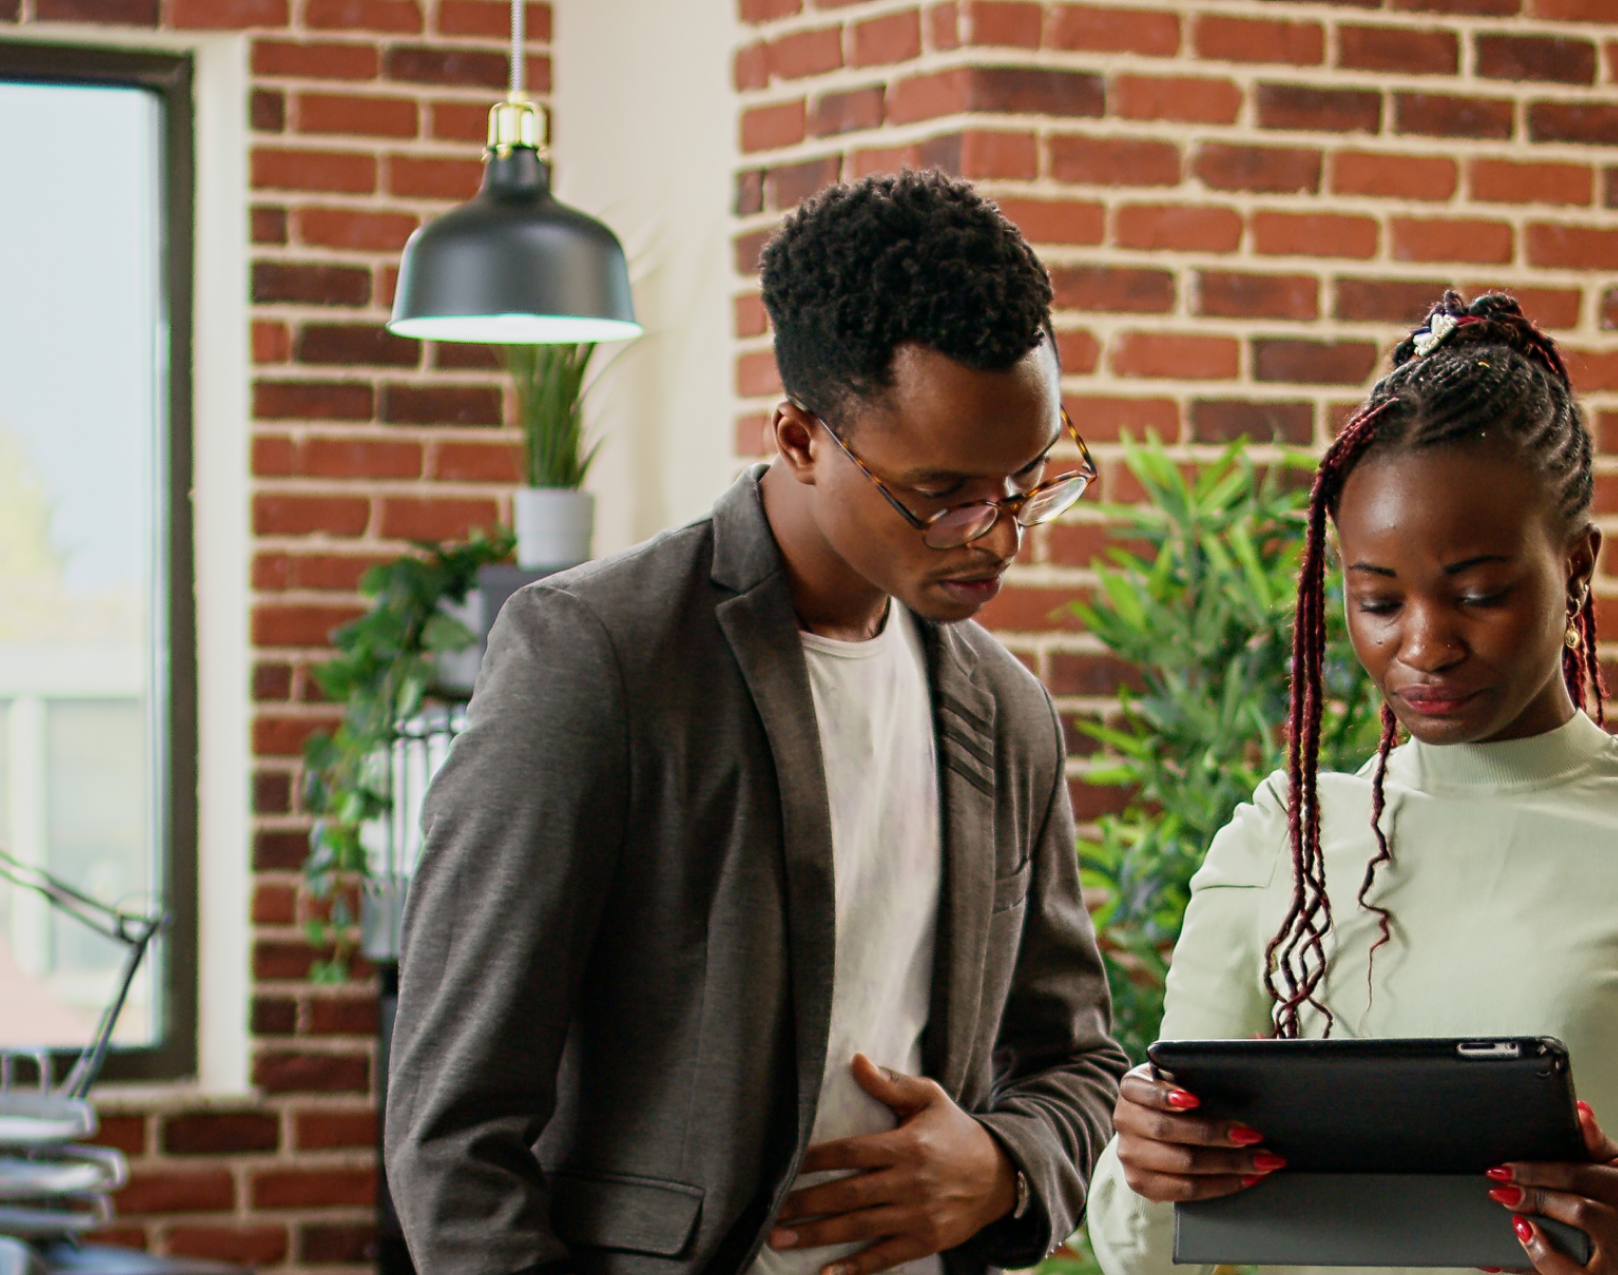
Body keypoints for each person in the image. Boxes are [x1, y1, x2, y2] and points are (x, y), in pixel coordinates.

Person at [383, 170, 1126, 1275]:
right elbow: (451, 1131)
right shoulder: (599, 658)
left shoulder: (1006, 714)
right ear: (799, 437)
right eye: (947, 493)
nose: (1002, 535)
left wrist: (1006, 1167)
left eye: (1031, 481)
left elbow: (1080, 1065)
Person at [1085, 294, 1618, 1275]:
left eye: (1480, 593)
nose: (1424, 644)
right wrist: (1149, 1164)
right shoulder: (1273, 844)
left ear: (1577, 568)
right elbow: (1134, 1251)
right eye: (1378, 599)